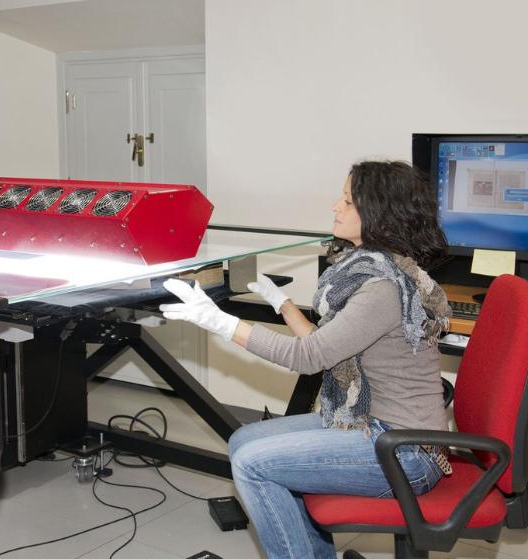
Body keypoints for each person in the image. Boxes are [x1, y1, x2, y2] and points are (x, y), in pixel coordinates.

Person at [160, 160, 452, 559]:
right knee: (242, 440)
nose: (335, 206)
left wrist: (220, 322)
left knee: (252, 463)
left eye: (347, 201)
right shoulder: (376, 267)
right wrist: (282, 304)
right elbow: (325, 344)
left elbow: (308, 357)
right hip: (376, 425)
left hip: (405, 452)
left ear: (379, 214)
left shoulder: (383, 288)